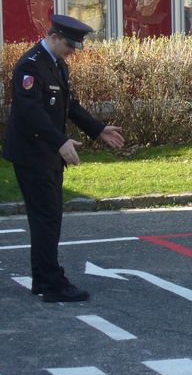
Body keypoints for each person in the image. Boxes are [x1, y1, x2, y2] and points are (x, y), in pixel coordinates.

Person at [2, 15, 125, 303]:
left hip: (47, 153)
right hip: (32, 154)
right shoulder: (30, 66)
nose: (73, 50)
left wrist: (98, 129)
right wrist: (60, 141)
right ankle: (51, 283)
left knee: (49, 217)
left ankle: (44, 279)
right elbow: (32, 113)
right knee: (47, 218)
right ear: (55, 36)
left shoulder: (56, 65)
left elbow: (69, 105)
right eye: (70, 44)